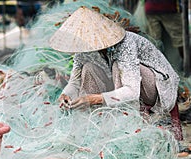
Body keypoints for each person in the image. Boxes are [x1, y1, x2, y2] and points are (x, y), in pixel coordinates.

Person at [49, 6, 183, 141]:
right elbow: (75, 82)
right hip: (119, 88)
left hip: (157, 89)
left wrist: (96, 98)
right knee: (88, 68)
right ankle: (97, 126)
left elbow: (132, 91)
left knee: (117, 67)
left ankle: (126, 125)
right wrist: (66, 95)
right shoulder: (83, 50)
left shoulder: (126, 43)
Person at [144, 0, 186, 67]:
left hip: (150, 8)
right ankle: (186, 67)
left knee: (154, 41)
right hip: (168, 8)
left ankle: (155, 67)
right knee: (180, 40)